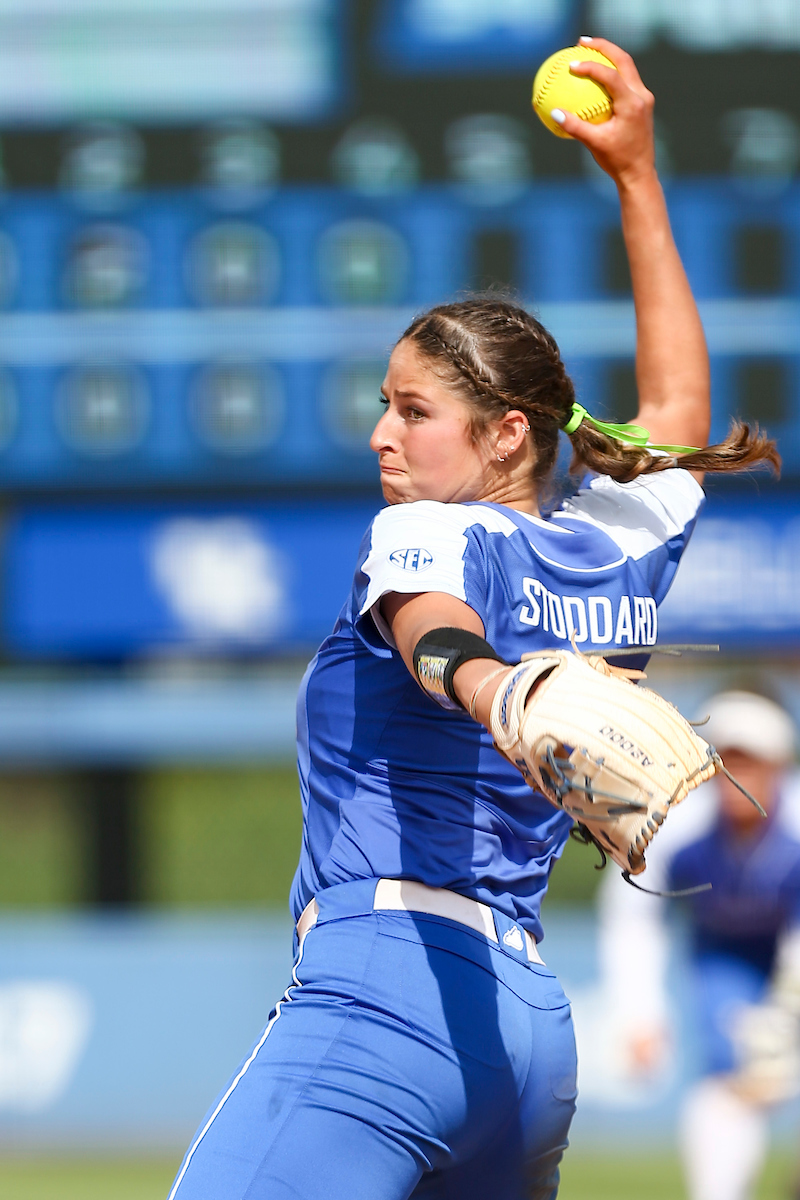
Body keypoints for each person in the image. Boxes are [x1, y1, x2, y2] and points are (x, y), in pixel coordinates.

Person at [167, 39, 778, 1200]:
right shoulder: (616, 545)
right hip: (527, 1044)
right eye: (382, 406)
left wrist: (496, 686)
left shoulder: (438, 532)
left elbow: (431, 628)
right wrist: (638, 176)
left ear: (504, 434)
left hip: (384, 999)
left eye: (412, 410)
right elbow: (680, 412)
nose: (379, 435)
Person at [596, 690, 800, 1200]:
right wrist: (640, 1013)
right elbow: (632, 910)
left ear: (780, 766)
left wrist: (789, 1005)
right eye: (726, 759)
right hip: (724, 955)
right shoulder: (676, 823)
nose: (736, 775)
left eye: (751, 761)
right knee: (726, 1077)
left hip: (790, 952)